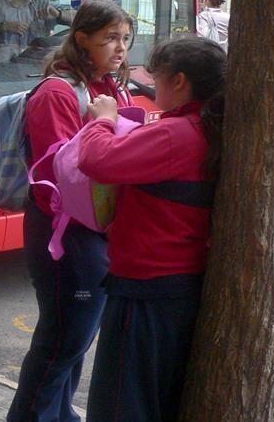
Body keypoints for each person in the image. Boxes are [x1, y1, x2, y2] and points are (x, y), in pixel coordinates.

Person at [79, 37, 223, 421]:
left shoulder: (177, 134)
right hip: (180, 284)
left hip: (147, 288)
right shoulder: (208, 126)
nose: (152, 86)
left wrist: (104, 120)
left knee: (123, 403)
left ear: (178, 81)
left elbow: (99, 160)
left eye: (156, 79)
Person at [7, 0, 134, 422]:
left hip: (94, 228)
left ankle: (61, 414)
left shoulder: (109, 87)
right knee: (63, 339)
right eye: (110, 39)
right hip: (64, 232)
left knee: (76, 340)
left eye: (125, 39)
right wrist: (104, 128)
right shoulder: (56, 93)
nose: (120, 48)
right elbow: (58, 171)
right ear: (82, 39)